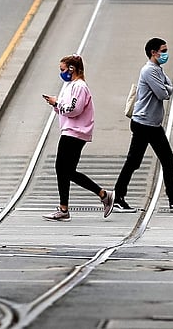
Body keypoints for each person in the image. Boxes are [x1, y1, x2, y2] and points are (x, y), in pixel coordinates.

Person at [113, 38, 173, 213]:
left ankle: (120, 197)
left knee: (138, 162)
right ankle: (171, 199)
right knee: (160, 160)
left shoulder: (158, 69)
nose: (166, 54)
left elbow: (170, 88)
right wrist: (165, 88)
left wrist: (165, 88)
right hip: (145, 124)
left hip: (150, 123)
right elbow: (163, 93)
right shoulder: (149, 71)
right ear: (153, 52)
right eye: (163, 50)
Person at [41, 54, 114, 221]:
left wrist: (56, 103)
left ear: (72, 69)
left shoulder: (79, 87)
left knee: (63, 169)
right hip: (72, 131)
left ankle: (66, 208)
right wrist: (57, 104)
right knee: (66, 171)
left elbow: (75, 109)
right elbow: (69, 107)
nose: (61, 73)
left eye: (63, 69)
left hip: (75, 132)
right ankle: (102, 195)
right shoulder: (71, 85)